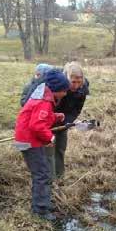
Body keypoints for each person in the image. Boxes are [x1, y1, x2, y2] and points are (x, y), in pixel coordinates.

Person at [14, 69, 70, 221]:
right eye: (64, 90)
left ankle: (42, 203)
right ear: (56, 89)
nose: (65, 94)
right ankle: (40, 210)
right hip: (30, 141)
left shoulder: (43, 96)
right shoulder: (44, 101)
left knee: (42, 172)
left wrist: (55, 116)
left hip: (28, 139)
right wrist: (50, 138)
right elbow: (37, 126)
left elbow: (40, 118)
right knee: (42, 174)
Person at [47, 62, 90, 181]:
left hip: (63, 123)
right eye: (73, 82)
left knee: (60, 149)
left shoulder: (83, 90)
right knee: (48, 151)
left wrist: (66, 122)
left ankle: (59, 178)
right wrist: (50, 121)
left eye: (79, 82)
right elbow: (45, 106)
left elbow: (76, 110)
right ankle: (49, 181)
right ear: (67, 78)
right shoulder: (56, 85)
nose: (76, 85)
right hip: (47, 121)